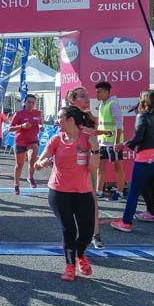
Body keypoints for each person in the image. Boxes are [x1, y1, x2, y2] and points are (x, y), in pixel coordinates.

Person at [34, 106, 96, 281]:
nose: (56, 121)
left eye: (59, 117)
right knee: (69, 229)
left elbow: (93, 169)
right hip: (59, 192)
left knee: (87, 231)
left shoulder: (87, 139)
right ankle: (70, 265)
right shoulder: (56, 139)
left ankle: (81, 255)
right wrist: (41, 163)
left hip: (83, 192)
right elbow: (41, 159)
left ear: (70, 120)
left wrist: (96, 149)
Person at [111, 89, 154, 237]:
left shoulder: (142, 116)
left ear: (143, 101)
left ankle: (126, 222)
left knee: (134, 191)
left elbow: (138, 137)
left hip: (147, 159)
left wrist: (124, 145)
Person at [68, 86, 107, 250]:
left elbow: (95, 130)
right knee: (69, 203)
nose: (87, 98)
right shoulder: (67, 115)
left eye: (87, 95)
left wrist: (95, 129)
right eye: (82, 96)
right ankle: (71, 235)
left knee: (92, 200)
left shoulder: (89, 116)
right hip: (70, 163)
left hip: (87, 161)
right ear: (72, 99)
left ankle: (96, 235)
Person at [95, 81, 127, 200]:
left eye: (99, 92)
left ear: (107, 92)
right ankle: (99, 191)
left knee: (117, 166)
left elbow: (119, 125)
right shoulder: (103, 104)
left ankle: (120, 192)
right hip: (102, 141)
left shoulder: (113, 104)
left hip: (113, 142)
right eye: (96, 92)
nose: (97, 95)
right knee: (100, 166)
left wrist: (117, 142)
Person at [10, 94, 43, 195]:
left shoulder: (37, 113)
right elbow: (10, 128)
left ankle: (30, 177)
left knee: (33, 159)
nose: (31, 104)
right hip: (20, 141)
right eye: (29, 102)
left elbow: (40, 123)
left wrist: (41, 126)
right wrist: (21, 126)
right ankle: (16, 184)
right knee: (19, 165)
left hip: (33, 141)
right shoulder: (19, 114)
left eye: (33, 102)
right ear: (24, 102)